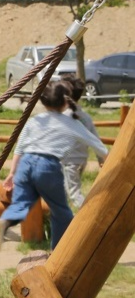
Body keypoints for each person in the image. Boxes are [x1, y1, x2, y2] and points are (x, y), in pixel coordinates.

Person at [0, 80, 109, 252]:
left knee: (21, 204)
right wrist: (107, 160)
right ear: (66, 102)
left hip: (25, 164)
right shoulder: (73, 123)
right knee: (61, 213)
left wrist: (12, 173)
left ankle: (4, 221)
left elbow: (21, 146)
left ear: (44, 102)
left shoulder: (35, 120)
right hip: (48, 166)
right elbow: (100, 147)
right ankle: (56, 253)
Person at [61, 75, 103, 209]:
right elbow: (95, 139)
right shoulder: (85, 116)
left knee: (74, 194)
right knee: (65, 192)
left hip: (69, 162)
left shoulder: (64, 117)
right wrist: (101, 159)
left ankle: (90, 215)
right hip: (80, 161)